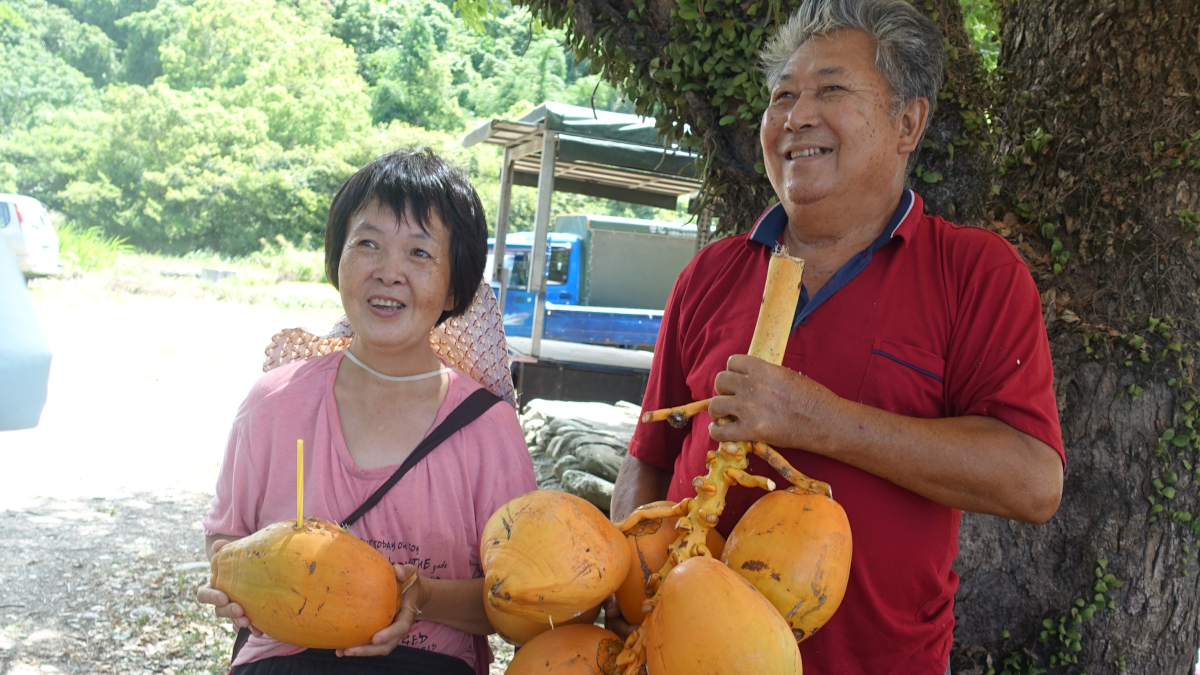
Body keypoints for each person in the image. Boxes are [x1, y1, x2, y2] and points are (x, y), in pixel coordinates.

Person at [608, 1, 1065, 673]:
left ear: (908, 122)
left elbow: (1032, 480)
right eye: (782, 96)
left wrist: (819, 420)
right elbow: (648, 456)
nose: (797, 116)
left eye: (830, 89)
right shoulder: (710, 273)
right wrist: (629, 582)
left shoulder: (974, 272)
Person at [196, 149, 537, 675]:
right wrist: (236, 580)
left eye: (419, 253)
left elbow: (521, 603)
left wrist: (419, 597)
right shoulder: (273, 403)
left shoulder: (487, 429)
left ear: (454, 286)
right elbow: (226, 537)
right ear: (338, 259)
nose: (389, 272)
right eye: (367, 244)